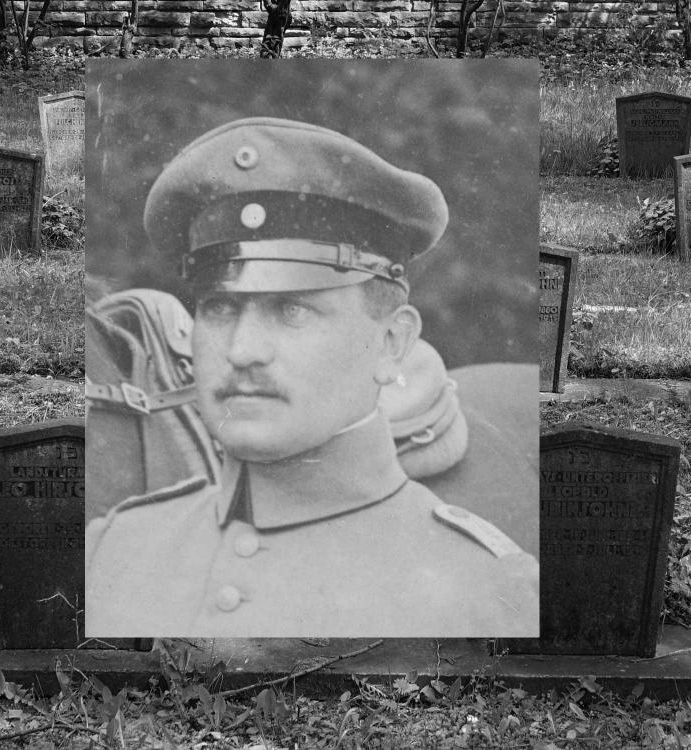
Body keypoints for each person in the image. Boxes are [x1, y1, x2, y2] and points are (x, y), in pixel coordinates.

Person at [85, 117, 538, 638]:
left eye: (293, 310)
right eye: (220, 308)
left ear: (391, 343)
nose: (243, 351)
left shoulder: (488, 594)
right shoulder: (113, 549)